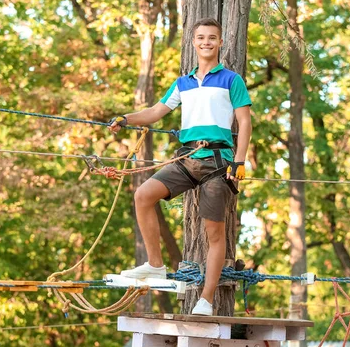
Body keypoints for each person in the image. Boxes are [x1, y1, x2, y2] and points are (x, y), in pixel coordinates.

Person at [108, 18, 252, 316]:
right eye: (201, 38)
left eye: (212, 38)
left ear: (220, 42)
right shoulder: (182, 83)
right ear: (194, 42)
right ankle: (156, 265)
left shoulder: (231, 79)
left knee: (214, 232)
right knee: (143, 196)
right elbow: (155, 112)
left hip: (218, 162)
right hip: (187, 158)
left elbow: (245, 121)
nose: (206, 42)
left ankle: (206, 301)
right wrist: (126, 119)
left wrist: (239, 160)